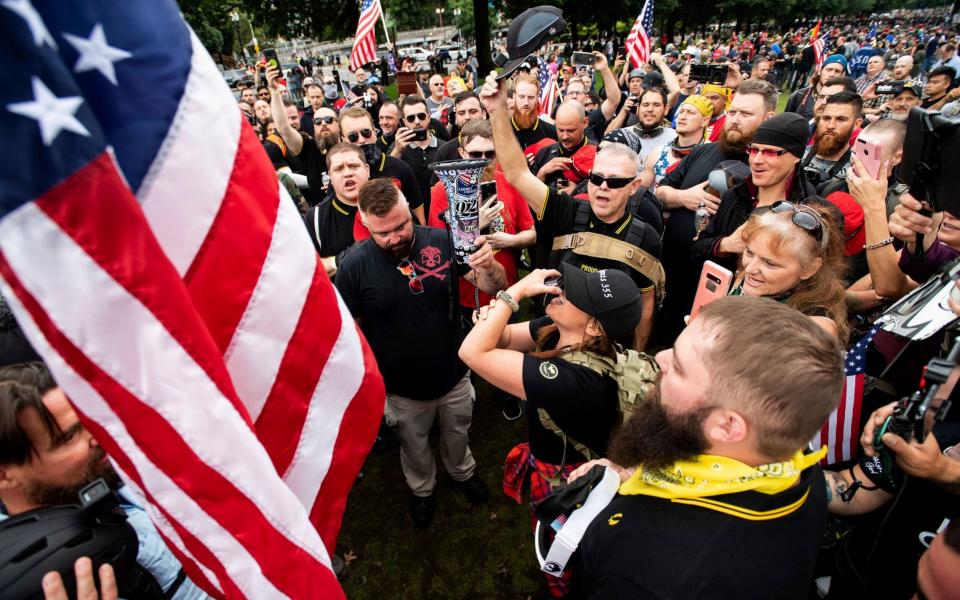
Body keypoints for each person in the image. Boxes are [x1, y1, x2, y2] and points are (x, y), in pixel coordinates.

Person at [569, 296, 845, 599]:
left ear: (728, 426)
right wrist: (627, 477)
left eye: (679, 366)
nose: (660, 358)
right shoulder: (796, 466)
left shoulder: (648, 576)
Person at [458, 265, 648, 598]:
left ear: (592, 326)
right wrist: (494, 318)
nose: (561, 290)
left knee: (562, 547)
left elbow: (473, 352)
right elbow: (501, 338)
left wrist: (513, 293)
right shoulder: (560, 329)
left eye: (577, 295)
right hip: (558, 457)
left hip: (566, 480)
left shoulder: (576, 383)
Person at [335, 179, 506, 529]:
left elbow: (494, 287)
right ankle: (422, 490)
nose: (396, 237)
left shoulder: (443, 241)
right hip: (401, 387)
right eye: (384, 233)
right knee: (413, 445)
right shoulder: (353, 267)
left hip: (453, 371)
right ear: (364, 221)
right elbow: (349, 335)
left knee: (458, 431)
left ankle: (462, 472)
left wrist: (489, 266)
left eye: (402, 225)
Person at [483, 71, 663, 351]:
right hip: (553, 335)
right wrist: (497, 112)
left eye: (615, 182)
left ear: (634, 186)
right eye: (596, 178)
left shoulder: (645, 237)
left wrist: (637, 359)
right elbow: (518, 174)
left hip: (609, 350)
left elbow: (646, 306)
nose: (603, 187)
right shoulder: (567, 210)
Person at [0, 363, 209, 599]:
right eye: (69, 436)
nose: (97, 436)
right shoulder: (24, 583)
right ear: (4, 475)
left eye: (88, 421)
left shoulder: (120, 487)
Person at [654, 79, 777, 341]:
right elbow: (660, 192)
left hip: (719, 285)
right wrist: (683, 196)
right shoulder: (705, 152)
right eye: (732, 111)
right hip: (673, 271)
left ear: (768, 118)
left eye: (745, 114)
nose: (734, 119)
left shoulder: (768, 168)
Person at [427, 119, 536, 320]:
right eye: (476, 154)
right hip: (466, 296)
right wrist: (475, 225)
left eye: (490, 154)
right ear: (462, 154)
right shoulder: (442, 191)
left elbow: (531, 234)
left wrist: (511, 240)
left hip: (506, 293)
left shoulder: (510, 183)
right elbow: (438, 243)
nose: (483, 161)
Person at [692, 112, 824, 273]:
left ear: (796, 156)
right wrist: (725, 244)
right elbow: (697, 248)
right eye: (753, 150)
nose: (757, 160)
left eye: (770, 152)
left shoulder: (810, 212)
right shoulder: (735, 195)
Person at [730, 203, 849, 341]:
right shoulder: (750, 278)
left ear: (809, 269)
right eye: (749, 252)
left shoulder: (814, 329)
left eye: (770, 263)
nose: (749, 268)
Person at [303, 144, 369, 277]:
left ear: (367, 170)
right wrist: (340, 260)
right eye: (339, 169)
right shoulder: (316, 218)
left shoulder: (391, 199)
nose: (348, 173)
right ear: (330, 177)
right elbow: (307, 269)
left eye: (354, 166)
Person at [802, 91, 863, 196]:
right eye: (826, 118)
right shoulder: (797, 155)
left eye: (841, 119)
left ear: (856, 124)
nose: (830, 125)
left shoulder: (858, 170)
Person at [643, 95, 711, 185]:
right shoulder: (658, 152)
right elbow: (640, 191)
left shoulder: (712, 154)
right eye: (681, 111)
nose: (683, 116)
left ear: (705, 121)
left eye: (690, 112)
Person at [391, 96, 441, 215]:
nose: (417, 121)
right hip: (412, 217)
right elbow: (386, 177)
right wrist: (397, 151)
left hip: (440, 213)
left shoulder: (444, 148)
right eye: (411, 118)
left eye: (421, 116)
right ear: (405, 122)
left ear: (429, 117)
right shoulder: (398, 148)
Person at [531, 101, 595, 192]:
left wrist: (578, 191)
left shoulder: (599, 155)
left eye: (571, 131)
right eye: (560, 130)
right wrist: (542, 173)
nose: (565, 136)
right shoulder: (544, 154)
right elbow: (529, 198)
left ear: (585, 123)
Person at [605, 87, 677, 160]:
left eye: (656, 105)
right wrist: (624, 111)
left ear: (666, 109)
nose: (650, 109)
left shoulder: (676, 139)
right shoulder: (623, 135)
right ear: (638, 109)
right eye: (645, 105)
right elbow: (606, 139)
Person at [785, 54, 849, 119]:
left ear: (842, 75)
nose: (832, 74)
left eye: (837, 71)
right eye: (829, 69)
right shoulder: (799, 95)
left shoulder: (844, 103)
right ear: (820, 71)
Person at [510, 73, 557, 152]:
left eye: (531, 97)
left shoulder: (551, 132)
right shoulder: (503, 131)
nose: (526, 103)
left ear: (537, 99)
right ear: (514, 97)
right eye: (521, 97)